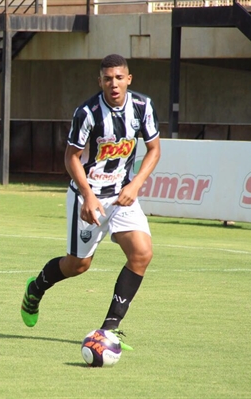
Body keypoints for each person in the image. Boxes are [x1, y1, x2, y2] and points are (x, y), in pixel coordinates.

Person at [20, 54, 161, 350]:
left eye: (119, 78)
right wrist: (87, 196)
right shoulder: (87, 112)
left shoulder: (142, 107)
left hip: (122, 195)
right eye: (108, 79)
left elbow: (154, 150)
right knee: (77, 265)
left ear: (129, 79)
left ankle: (109, 329)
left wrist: (135, 185)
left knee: (142, 254)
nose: (114, 84)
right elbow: (71, 157)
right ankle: (36, 289)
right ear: (99, 82)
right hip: (89, 196)